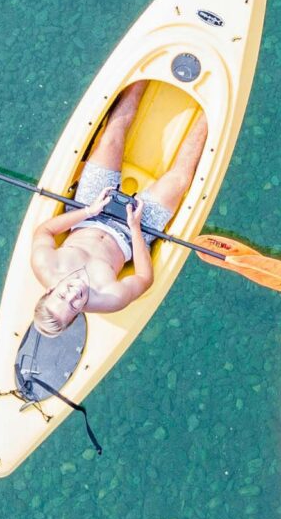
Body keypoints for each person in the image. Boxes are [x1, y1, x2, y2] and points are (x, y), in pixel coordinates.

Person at [29, 82, 208, 337]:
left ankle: (142, 80)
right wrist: (135, 228)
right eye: (74, 305)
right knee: (179, 180)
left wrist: (89, 211)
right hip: (130, 232)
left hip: (90, 210)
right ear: (77, 315)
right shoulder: (109, 300)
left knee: (111, 137)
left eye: (62, 294)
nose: (73, 294)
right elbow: (145, 278)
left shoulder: (44, 265)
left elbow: (45, 231)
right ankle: (207, 117)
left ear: (49, 291)